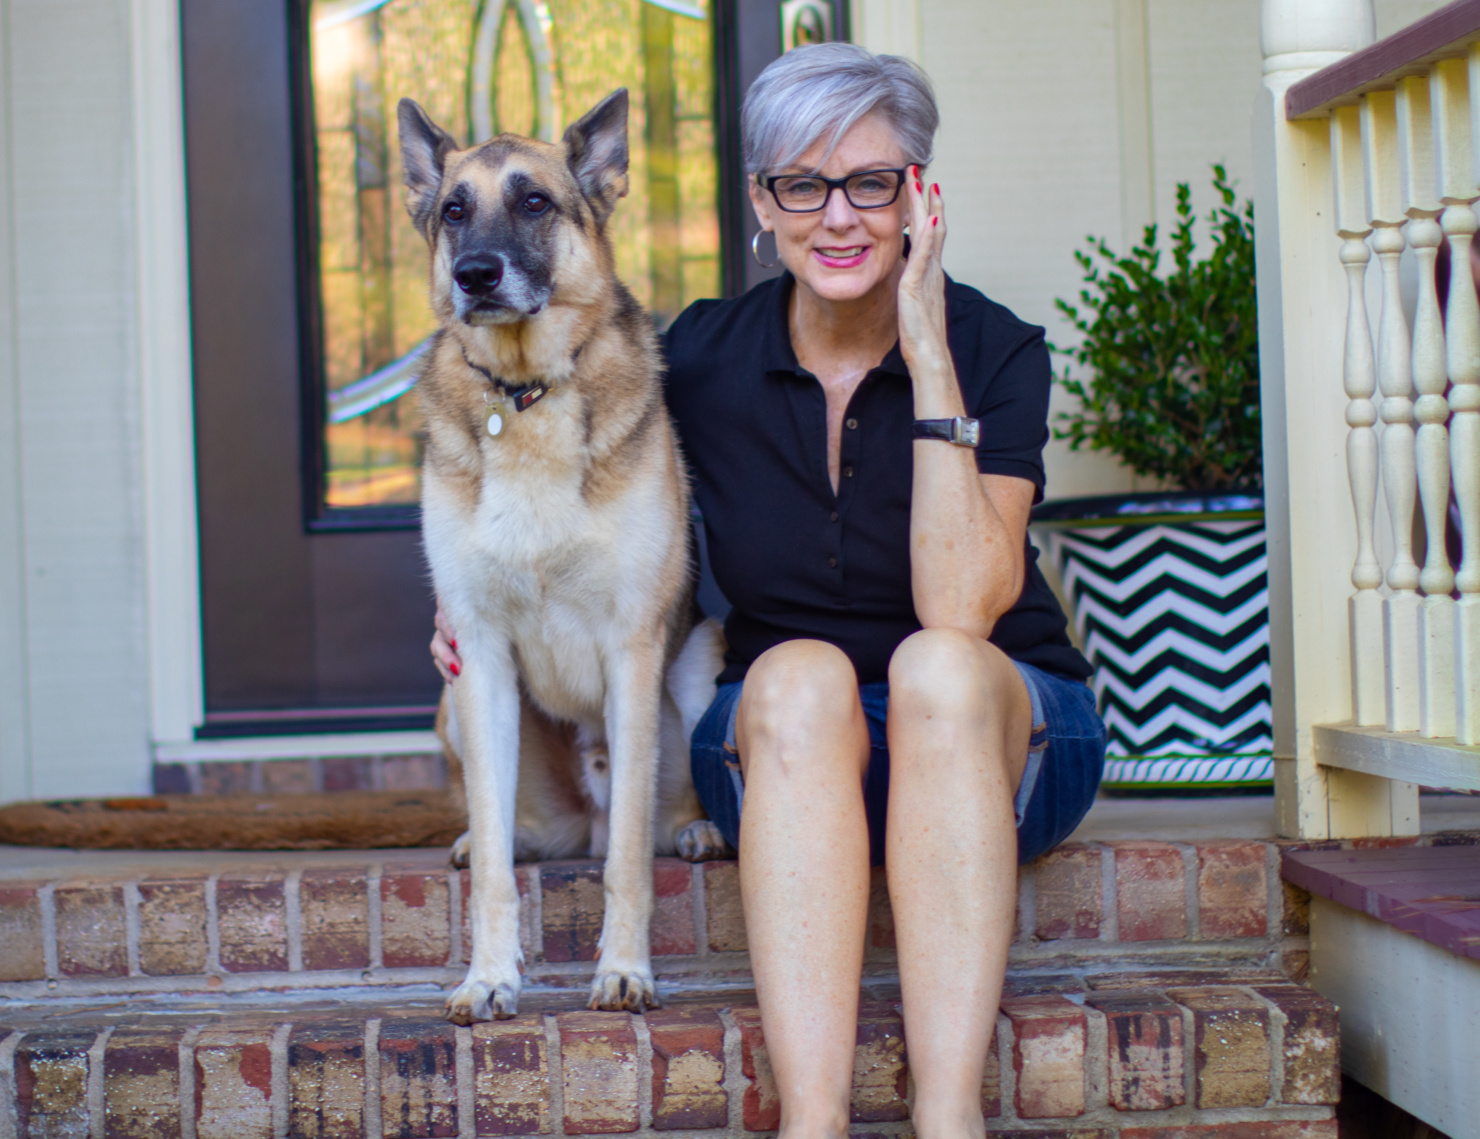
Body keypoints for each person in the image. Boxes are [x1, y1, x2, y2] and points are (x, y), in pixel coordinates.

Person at [431, 42, 1105, 1139]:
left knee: (934, 665)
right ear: (762, 202)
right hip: (786, 748)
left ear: (917, 195)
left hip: (1004, 732)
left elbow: (965, 609)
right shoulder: (694, 357)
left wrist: (929, 353)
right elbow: (574, 488)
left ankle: (949, 1121)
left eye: (871, 182)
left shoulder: (997, 346)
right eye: (803, 183)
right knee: (793, 673)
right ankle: (813, 1123)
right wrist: (482, 604)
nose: (837, 217)